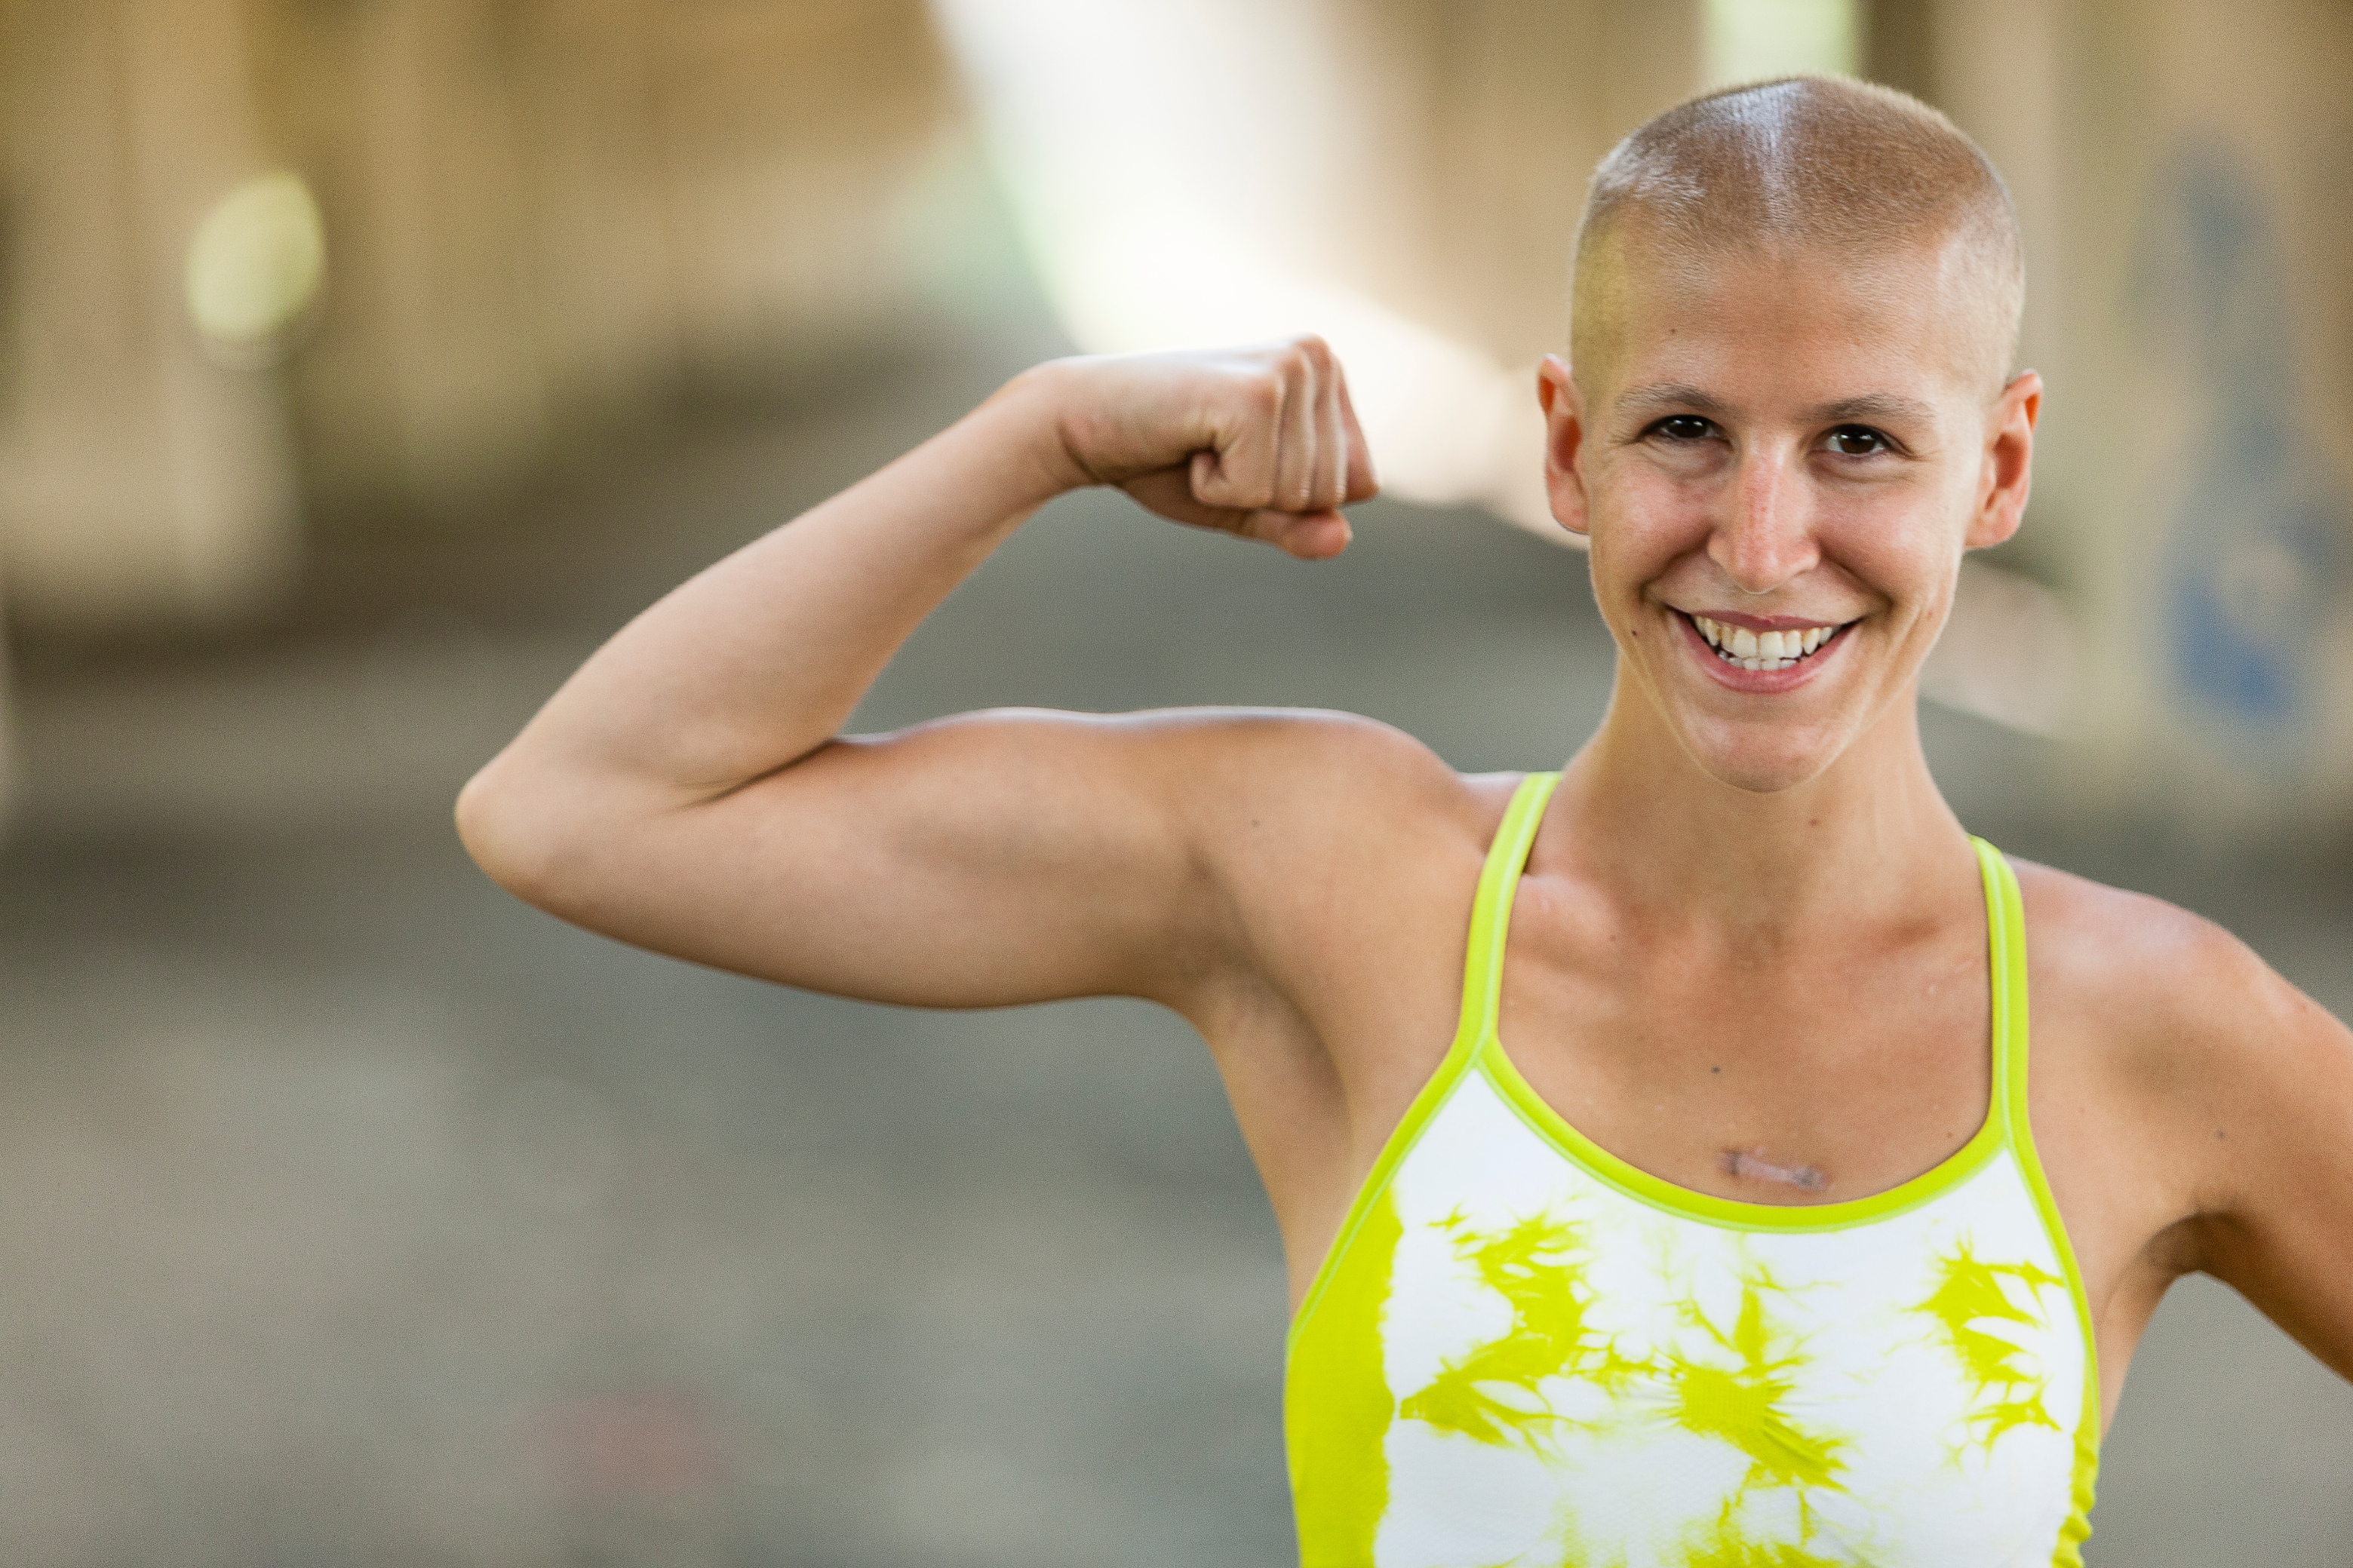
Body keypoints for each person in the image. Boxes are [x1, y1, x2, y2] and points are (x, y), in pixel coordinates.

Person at [456, 75, 2352, 1566]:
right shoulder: (1340, 877)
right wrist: (1033, 435)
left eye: (1859, 440)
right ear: (1565, 446)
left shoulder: (2152, 1028)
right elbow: (587, 805)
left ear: (1998, 466)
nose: (1763, 543)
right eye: (1683, 429)